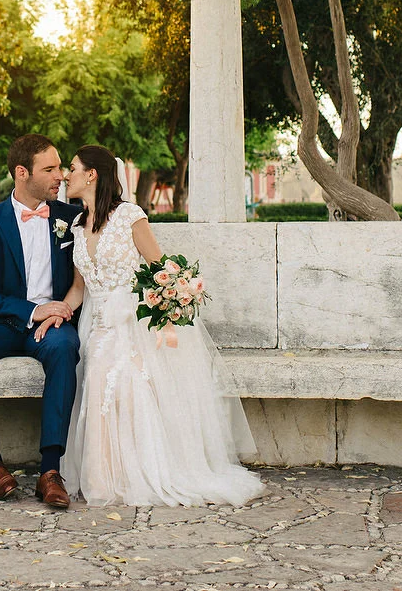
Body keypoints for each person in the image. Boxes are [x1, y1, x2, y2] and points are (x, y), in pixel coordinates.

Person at [50, 143, 265, 506]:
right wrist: (59, 312)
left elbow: (159, 268)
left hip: (131, 322)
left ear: (92, 175)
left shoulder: (129, 216)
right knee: (97, 386)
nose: (66, 175)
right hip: (95, 324)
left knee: (126, 387)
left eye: (72, 168)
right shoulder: (75, 224)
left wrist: (173, 301)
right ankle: (106, 476)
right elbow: (78, 288)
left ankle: (141, 474)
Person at [0, 134, 83, 509]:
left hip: (52, 326)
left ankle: (50, 471)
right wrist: (31, 311)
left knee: (65, 348)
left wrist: (56, 311)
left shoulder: (71, 219)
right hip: (2, 322)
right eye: (50, 169)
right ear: (22, 173)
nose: (60, 176)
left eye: (60, 167)